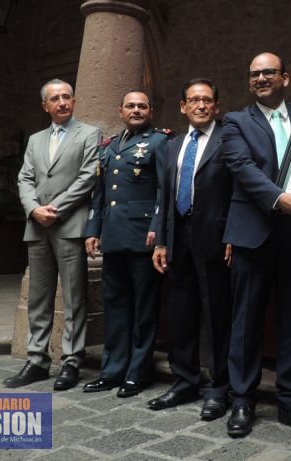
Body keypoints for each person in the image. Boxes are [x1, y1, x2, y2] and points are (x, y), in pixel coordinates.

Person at [221, 52, 291, 439]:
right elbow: (242, 168)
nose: (261, 78)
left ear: (285, 76)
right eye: (254, 74)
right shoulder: (234, 122)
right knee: (246, 322)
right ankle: (242, 401)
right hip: (254, 231)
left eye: (269, 72)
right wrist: (278, 197)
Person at [6, 79, 101, 391]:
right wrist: (34, 210)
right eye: (55, 99)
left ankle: (72, 360)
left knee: (74, 297)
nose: (62, 102)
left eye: (67, 97)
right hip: (36, 226)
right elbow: (25, 178)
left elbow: (87, 177)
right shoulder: (35, 140)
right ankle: (37, 360)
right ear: (44, 105)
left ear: (73, 101)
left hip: (69, 225)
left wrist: (53, 209)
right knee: (38, 297)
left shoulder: (88, 134)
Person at [148, 78, 234, 421]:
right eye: (194, 100)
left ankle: (219, 387)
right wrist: (162, 239)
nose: (201, 105)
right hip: (179, 237)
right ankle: (184, 380)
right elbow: (164, 195)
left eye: (207, 100)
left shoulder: (229, 140)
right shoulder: (173, 144)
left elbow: (236, 191)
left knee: (217, 315)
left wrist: (233, 236)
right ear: (183, 106)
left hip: (214, 238)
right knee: (181, 313)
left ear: (216, 106)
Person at [81, 91, 169, 398]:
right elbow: (100, 193)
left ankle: (137, 373)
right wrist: (93, 229)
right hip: (114, 238)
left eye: (142, 106)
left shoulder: (159, 142)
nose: (136, 110)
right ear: (120, 111)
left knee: (144, 310)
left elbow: (163, 192)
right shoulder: (110, 146)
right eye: (130, 106)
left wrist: (158, 230)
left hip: (143, 238)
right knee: (115, 308)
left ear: (151, 111)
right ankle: (112, 370)